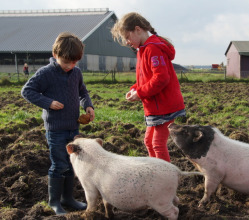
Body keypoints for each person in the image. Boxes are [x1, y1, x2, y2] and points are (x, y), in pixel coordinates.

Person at [21, 32, 95, 215]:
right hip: (55, 129)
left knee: (71, 163)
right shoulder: (46, 73)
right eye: (66, 62)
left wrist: (88, 106)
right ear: (55, 55)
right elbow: (27, 90)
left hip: (73, 126)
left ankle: (67, 198)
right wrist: (48, 103)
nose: (71, 66)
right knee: (59, 164)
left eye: (75, 62)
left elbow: (83, 93)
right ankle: (54, 202)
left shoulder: (76, 73)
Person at [111, 12, 185, 162]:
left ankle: (165, 178)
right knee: (148, 142)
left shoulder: (153, 49)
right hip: (155, 107)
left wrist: (140, 93)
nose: (127, 42)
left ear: (138, 30)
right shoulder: (143, 50)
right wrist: (134, 89)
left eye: (127, 37)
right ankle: (157, 172)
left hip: (164, 107)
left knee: (157, 144)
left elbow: (161, 78)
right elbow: (146, 78)